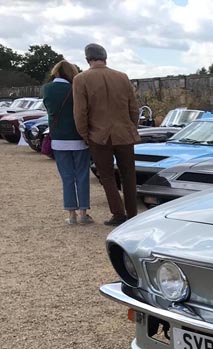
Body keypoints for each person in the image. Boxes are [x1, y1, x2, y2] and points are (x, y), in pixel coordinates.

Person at [72, 43, 141, 226]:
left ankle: (118, 214)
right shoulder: (122, 77)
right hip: (125, 134)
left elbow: (80, 112)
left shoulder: (81, 79)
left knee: (107, 177)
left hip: (99, 135)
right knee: (129, 175)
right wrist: (131, 127)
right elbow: (133, 108)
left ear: (87, 59)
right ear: (105, 57)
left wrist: (85, 134)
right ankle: (133, 213)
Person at [43, 60, 92, 225]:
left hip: (58, 138)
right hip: (79, 137)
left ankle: (71, 214)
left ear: (56, 72)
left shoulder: (47, 89)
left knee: (67, 177)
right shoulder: (76, 88)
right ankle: (83, 213)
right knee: (82, 175)